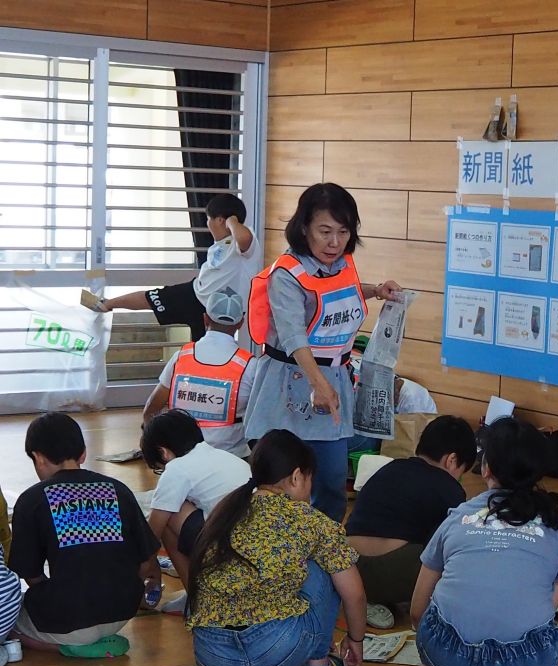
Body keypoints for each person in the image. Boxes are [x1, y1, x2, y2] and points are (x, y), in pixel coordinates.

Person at [245, 183, 403, 522]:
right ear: (304, 228)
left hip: (333, 377)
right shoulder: (286, 273)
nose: (335, 242)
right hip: (290, 382)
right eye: (325, 231)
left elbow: (336, 291)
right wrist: (318, 384)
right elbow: (293, 336)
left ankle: (324, 544)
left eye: (343, 232)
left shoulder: (342, 263)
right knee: (282, 482)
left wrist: (376, 290)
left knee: (332, 480)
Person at [187, 429, 366, 666]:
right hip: (274, 648)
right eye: (309, 479)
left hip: (211, 655)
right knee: (325, 568)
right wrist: (356, 640)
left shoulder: (225, 513)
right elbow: (354, 594)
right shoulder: (309, 520)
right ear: (297, 477)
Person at [410, 417, 558, 666]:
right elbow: (549, 603)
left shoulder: (458, 516)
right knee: (554, 636)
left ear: (485, 468)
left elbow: (418, 607)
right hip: (521, 665)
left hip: (443, 656)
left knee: (448, 630)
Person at [9, 413, 160, 657]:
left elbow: (31, 575)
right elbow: (147, 562)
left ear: (38, 458)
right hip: (122, 612)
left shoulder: (32, 500)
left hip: (67, 620)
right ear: (83, 454)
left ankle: (67, 648)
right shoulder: (118, 490)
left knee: (9, 622)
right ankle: (90, 639)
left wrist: (60, 597)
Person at [346, 415, 476, 629]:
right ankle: (374, 598)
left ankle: (364, 596)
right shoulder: (448, 487)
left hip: (347, 566)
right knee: (454, 554)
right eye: (461, 471)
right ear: (451, 460)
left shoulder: (392, 466)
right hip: (378, 573)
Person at [83, 193, 261, 341]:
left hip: (218, 312)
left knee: (205, 354)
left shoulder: (244, 242)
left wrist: (232, 221)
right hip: (194, 293)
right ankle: (107, 304)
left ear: (221, 220)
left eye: (209, 219)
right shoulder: (220, 244)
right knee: (152, 297)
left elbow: (244, 239)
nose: (207, 224)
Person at [140, 410, 251, 595]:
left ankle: (196, 598)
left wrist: (149, 566)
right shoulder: (221, 455)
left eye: (160, 469)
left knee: (167, 516)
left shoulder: (176, 468)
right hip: (258, 543)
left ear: (163, 453)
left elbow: (152, 532)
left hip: (231, 549)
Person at [142, 288, 257, 457]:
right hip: (232, 457)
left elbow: (151, 410)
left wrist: (157, 450)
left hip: (183, 457)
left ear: (205, 319)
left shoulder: (181, 357)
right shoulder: (250, 365)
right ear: (241, 322)